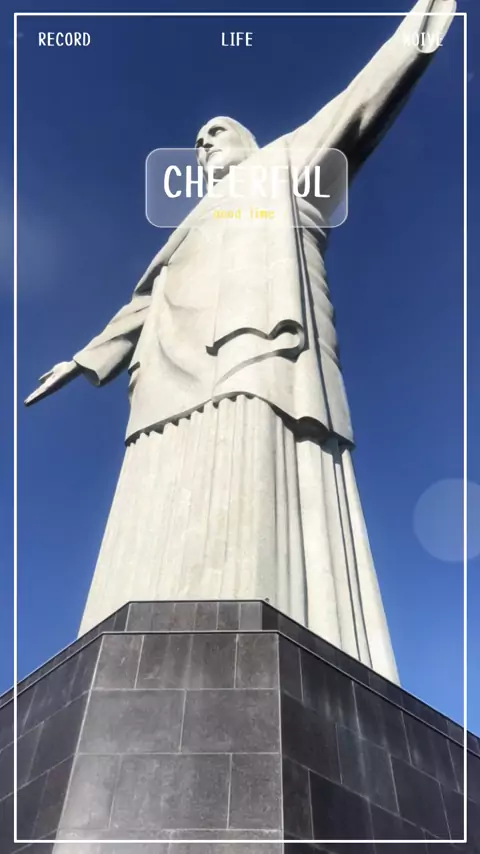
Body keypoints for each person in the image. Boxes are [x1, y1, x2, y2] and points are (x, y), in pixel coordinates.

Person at [25, 0, 456, 681]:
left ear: (250, 141)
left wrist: (421, 31)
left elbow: (361, 103)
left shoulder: (288, 163)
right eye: (197, 141)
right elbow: (143, 304)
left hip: (256, 350)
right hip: (167, 376)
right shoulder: (186, 226)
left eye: (216, 131)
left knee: (252, 488)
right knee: (156, 505)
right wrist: (83, 360)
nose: (203, 144)